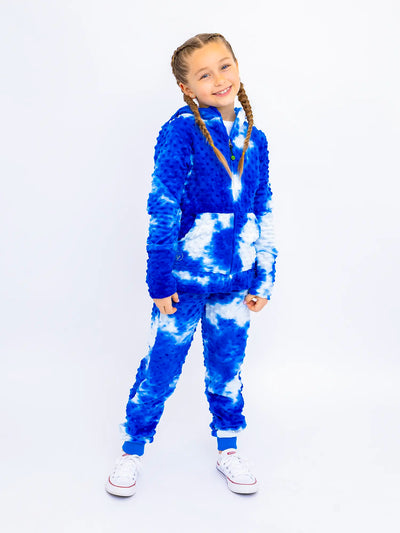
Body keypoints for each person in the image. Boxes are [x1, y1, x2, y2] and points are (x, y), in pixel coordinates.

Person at [105, 32, 278, 497]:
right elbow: (163, 206)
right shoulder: (181, 132)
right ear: (187, 87)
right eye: (204, 74)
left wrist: (264, 275)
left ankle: (228, 447)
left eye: (225, 66)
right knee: (160, 368)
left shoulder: (255, 138)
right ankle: (132, 449)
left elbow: (262, 207)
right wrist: (159, 279)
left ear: (237, 66)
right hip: (182, 281)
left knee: (227, 368)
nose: (219, 79)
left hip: (236, 282)